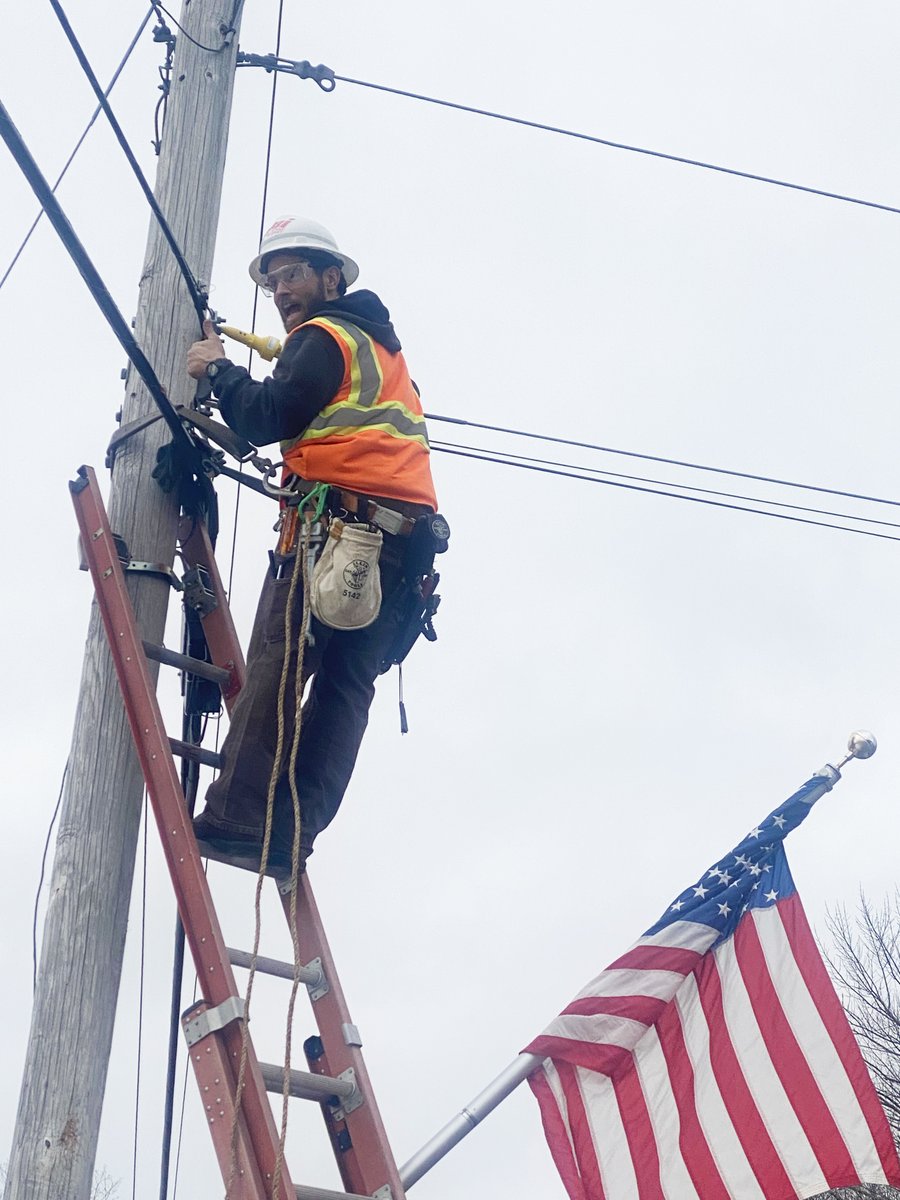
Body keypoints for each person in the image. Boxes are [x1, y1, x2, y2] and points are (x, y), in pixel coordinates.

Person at [186, 216, 438, 873]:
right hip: (400, 551)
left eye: (292, 274)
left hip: (334, 537)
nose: (280, 291)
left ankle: (241, 817)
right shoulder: (386, 358)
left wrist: (217, 372)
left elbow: (270, 416)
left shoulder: (323, 337)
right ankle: (292, 831)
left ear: (332, 278)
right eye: (272, 282)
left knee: (281, 660)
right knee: (345, 690)